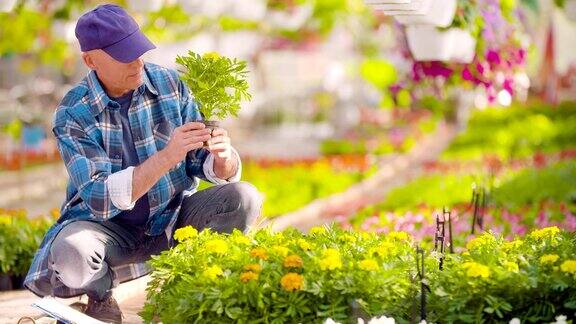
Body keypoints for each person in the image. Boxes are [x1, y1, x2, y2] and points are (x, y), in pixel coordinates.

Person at [23, 4, 263, 323]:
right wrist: (166, 156)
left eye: (138, 49)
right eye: (123, 54)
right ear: (90, 60)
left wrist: (222, 158)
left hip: (172, 219)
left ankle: (184, 286)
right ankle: (100, 297)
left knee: (243, 197)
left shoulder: (169, 84)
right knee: (71, 252)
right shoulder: (72, 114)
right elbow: (99, 197)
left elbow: (199, 162)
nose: (137, 62)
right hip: (109, 231)